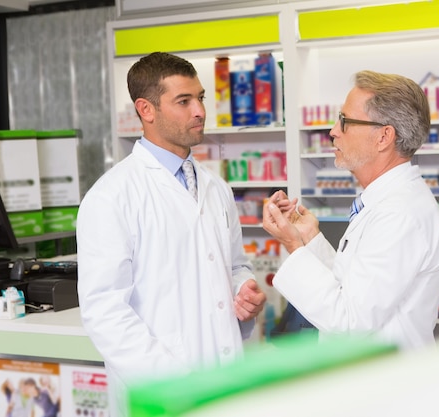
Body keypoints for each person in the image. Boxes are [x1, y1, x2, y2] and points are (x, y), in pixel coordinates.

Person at [77, 52, 266, 417]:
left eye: (200, 98)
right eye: (184, 101)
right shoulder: (111, 196)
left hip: (224, 380)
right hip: (162, 394)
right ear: (146, 110)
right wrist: (173, 381)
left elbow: (234, 265)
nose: (199, 111)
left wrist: (245, 292)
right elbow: (104, 312)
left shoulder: (216, 187)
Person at [263, 70, 439, 350]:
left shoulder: (398, 213)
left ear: (384, 137)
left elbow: (349, 322)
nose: (333, 131)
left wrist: (292, 244)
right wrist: (309, 239)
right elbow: (351, 290)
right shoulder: (386, 201)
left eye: (345, 121)